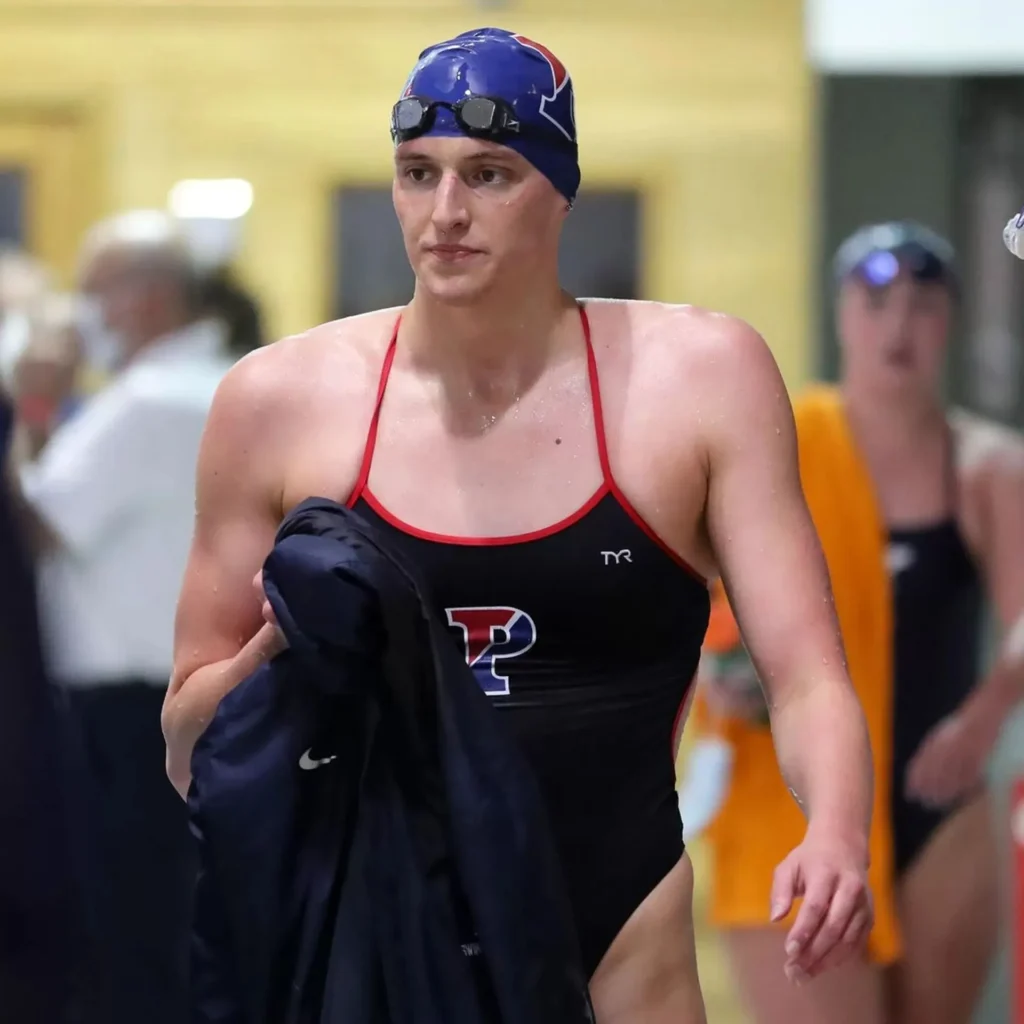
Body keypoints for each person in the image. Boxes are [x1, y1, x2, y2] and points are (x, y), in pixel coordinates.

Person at [163, 28, 874, 1023]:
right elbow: (187, 743)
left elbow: (806, 677)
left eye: (489, 174)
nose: (445, 212)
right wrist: (277, 658)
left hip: (622, 931)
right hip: (384, 934)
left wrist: (837, 828)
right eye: (418, 173)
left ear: (561, 189)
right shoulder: (277, 403)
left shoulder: (697, 379)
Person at [695, 221, 1024, 1024]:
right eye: (877, 304)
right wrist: (711, 675)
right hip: (793, 799)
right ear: (842, 314)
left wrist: (984, 720)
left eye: (923, 305)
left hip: (939, 801)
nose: (899, 326)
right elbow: (689, 602)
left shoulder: (985, 464)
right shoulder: (776, 449)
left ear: (950, 322)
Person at [13, 211, 232, 1024]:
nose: (80, 313)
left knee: (123, 928)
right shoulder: (222, 382)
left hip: (122, 716)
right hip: (202, 696)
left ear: (143, 298)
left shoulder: (144, 404)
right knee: (178, 918)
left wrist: (34, 407)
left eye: (92, 290)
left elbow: (29, 529)